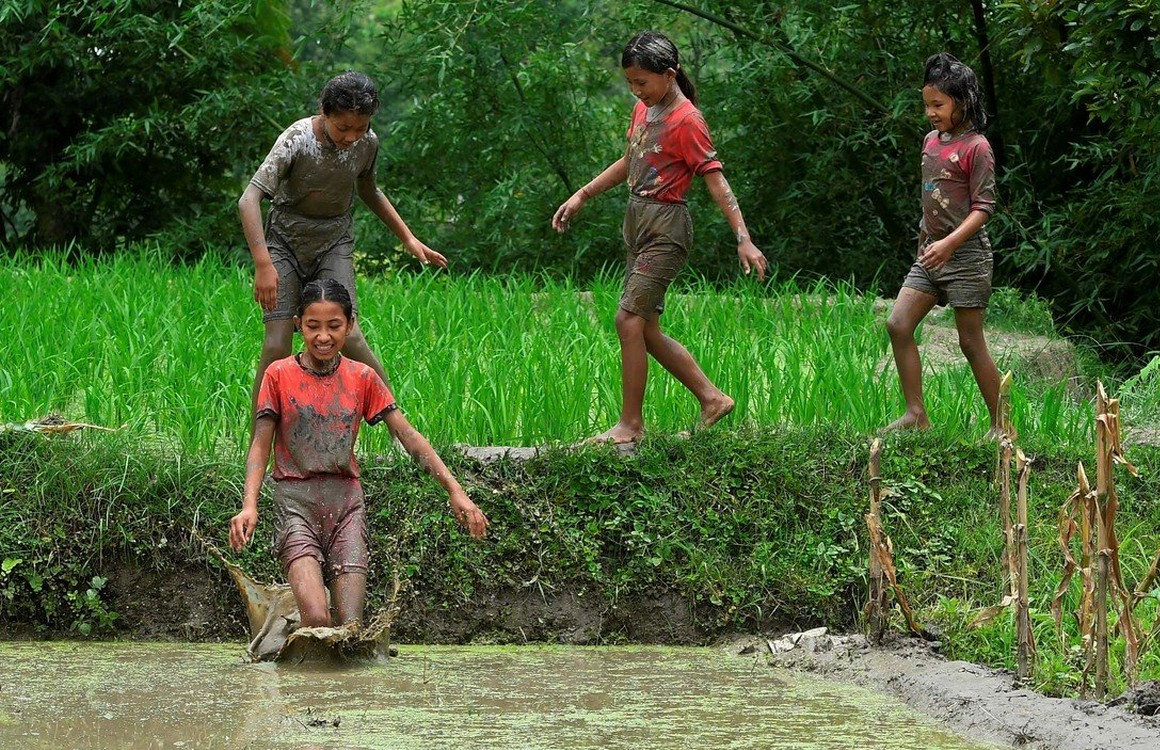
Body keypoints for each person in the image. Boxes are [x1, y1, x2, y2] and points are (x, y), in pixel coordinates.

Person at [229, 278, 488, 629]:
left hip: (346, 505)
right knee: (318, 618)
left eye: (334, 326)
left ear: (349, 326)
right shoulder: (278, 375)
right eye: (313, 326)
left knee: (351, 626)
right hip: (295, 502)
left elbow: (407, 434)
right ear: (298, 326)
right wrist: (250, 504)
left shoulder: (362, 377)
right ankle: (291, 637)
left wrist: (456, 491)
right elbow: (261, 444)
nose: (323, 336)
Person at [551, 31, 769, 444]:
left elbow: (716, 181)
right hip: (638, 222)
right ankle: (712, 399)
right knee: (646, 328)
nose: (637, 91)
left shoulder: (687, 120)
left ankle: (630, 426)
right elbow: (632, 158)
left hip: (667, 229)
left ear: (669, 75)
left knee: (627, 320)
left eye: (642, 83)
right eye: (631, 82)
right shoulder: (643, 111)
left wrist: (744, 237)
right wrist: (582, 194)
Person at [238, 70, 446, 421]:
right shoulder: (297, 139)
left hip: (334, 239)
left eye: (359, 128)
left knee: (350, 337)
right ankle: (261, 438)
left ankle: (398, 427)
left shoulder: (368, 144)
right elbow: (249, 199)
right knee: (276, 343)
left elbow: (370, 191)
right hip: (285, 241)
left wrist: (409, 239)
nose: (351, 137)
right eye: (343, 128)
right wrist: (263, 264)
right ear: (325, 113)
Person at [882, 53, 1001, 437]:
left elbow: (984, 208)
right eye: (927, 105)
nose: (930, 113)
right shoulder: (931, 141)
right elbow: (930, 197)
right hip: (931, 252)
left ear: (962, 102)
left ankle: (1003, 424)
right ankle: (916, 413)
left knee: (970, 341)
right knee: (898, 324)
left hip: (966, 255)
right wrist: (925, 240)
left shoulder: (977, 147)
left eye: (938, 105)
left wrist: (949, 243)